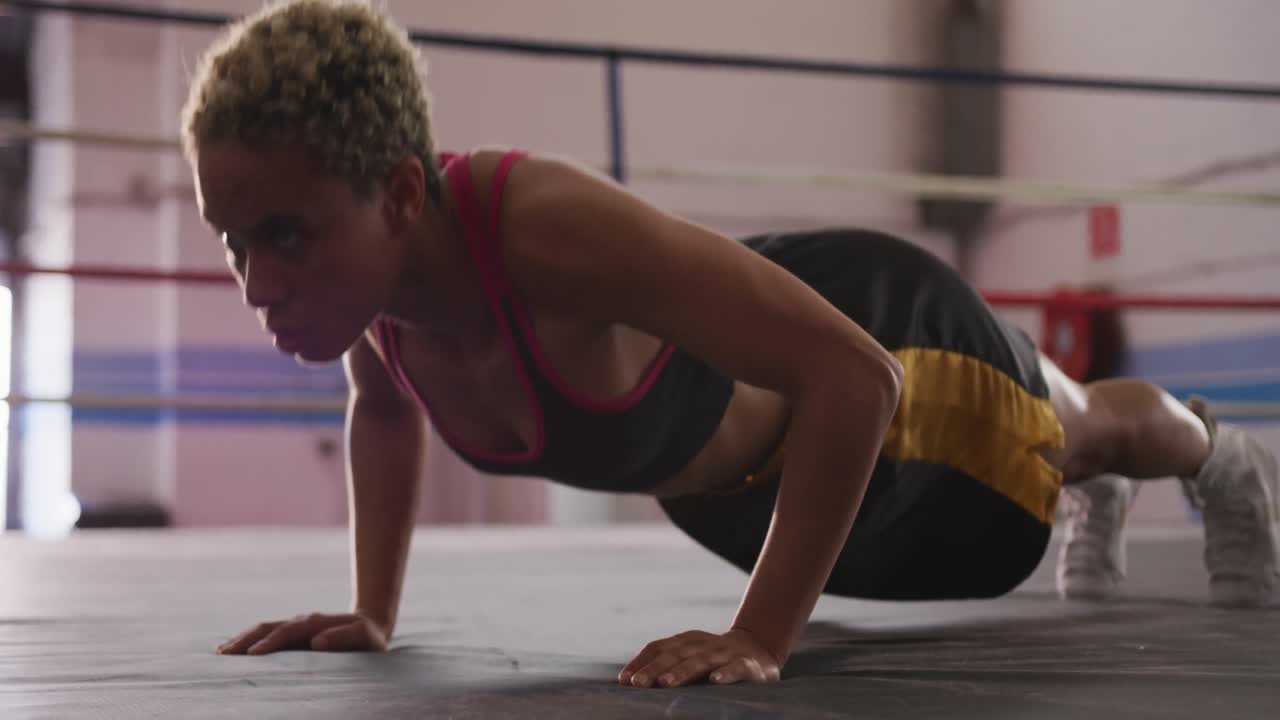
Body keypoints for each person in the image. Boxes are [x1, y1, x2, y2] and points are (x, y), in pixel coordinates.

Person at [181, 0, 1279, 688]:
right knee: (1055, 452)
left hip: (879, 348)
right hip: (743, 475)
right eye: (233, 242)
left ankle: (1219, 459)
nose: (256, 285)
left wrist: (760, 635)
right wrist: (375, 611)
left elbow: (859, 374)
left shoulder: (538, 226)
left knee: (1075, 430)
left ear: (401, 193)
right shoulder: (376, 294)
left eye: (285, 235)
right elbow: (379, 407)